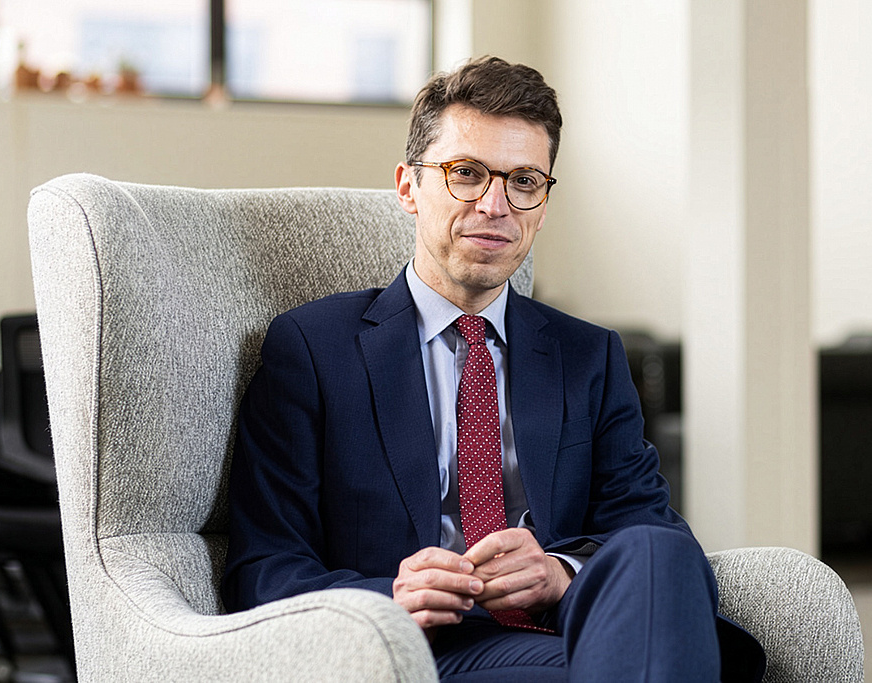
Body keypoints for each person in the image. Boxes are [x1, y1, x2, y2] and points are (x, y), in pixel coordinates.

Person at [222, 56, 765, 682]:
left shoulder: (589, 355)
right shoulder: (314, 348)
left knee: (653, 548)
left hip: (575, 627)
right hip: (428, 650)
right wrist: (390, 597)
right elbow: (263, 568)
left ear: (543, 202)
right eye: (466, 174)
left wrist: (560, 574)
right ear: (408, 187)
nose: (495, 204)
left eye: (524, 181)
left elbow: (658, 539)